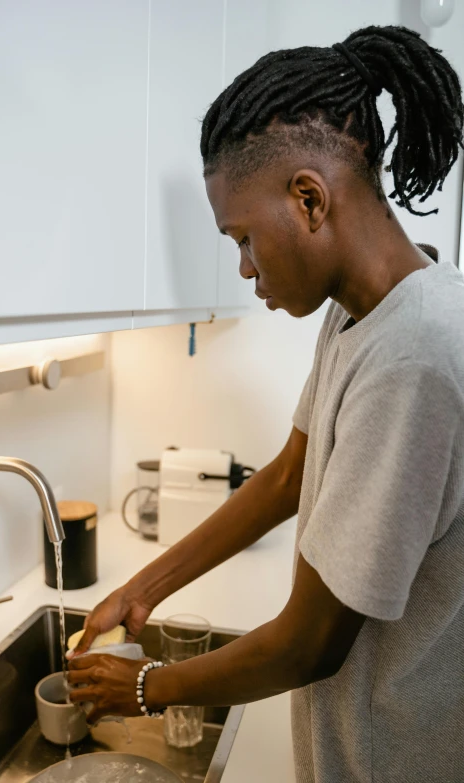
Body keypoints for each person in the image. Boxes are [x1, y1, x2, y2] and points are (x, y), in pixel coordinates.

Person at [68, 25, 464, 783]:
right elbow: (290, 472)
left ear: (309, 198)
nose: (245, 267)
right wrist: (140, 588)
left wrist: (146, 686)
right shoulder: (361, 309)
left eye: (244, 237)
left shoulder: (414, 357)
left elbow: (310, 641)